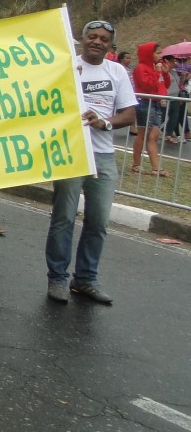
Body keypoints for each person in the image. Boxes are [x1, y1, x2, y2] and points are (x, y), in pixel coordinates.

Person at [46, 20, 136, 304]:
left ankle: (85, 280)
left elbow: (129, 114)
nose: (97, 42)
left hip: (104, 157)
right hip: (70, 154)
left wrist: (104, 123)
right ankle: (57, 279)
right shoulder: (66, 65)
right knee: (63, 218)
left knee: (97, 222)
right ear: (82, 39)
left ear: (110, 45)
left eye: (104, 39)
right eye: (92, 36)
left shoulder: (117, 71)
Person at [131, 42, 168, 177]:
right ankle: (136, 164)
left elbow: (164, 84)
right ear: (149, 54)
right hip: (145, 103)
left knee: (154, 136)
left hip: (156, 103)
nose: (161, 56)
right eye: (158, 53)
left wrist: (164, 73)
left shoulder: (155, 67)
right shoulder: (141, 68)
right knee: (142, 134)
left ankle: (156, 167)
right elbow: (147, 85)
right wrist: (157, 72)